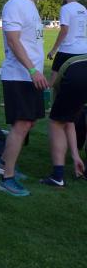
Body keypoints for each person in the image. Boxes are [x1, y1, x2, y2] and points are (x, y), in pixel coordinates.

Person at [0, 0, 56, 196]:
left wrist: (36, 72)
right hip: (18, 76)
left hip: (30, 76)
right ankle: (7, 178)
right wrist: (32, 70)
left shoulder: (30, 6)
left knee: (29, 122)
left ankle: (3, 162)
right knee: (21, 125)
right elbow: (13, 41)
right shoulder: (15, 4)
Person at [42, 54, 87, 186]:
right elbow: (69, 121)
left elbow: (63, 121)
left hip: (77, 72)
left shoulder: (71, 66)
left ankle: (58, 177)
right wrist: (75, 156)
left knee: (56, 123)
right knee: (62, 120)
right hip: (77, 73)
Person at [47, 0, 87, 85]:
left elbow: (64, 30)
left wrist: (53, 50)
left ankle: (47, 94)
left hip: (68, 50)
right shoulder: (83, 9)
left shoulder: (65, 8)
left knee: (53, 79)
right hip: (83, 51)